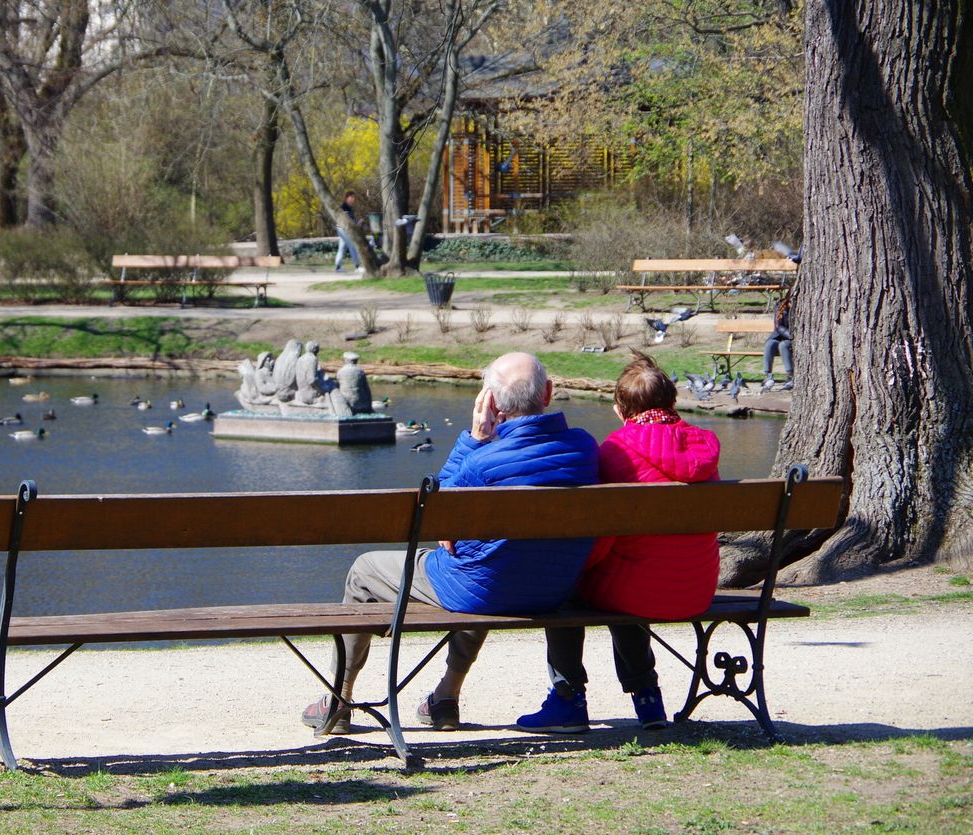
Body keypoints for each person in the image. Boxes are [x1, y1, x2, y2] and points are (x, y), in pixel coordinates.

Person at [301, 352, 599, 734]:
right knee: (488, 560)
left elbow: (436, 515)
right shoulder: (585, 449)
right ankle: (445, 695)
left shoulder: (483, 462)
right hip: (552, 591)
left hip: (485, 590)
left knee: (365, 569)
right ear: (549, 393)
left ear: (489, 401)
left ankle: (339, 698)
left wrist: (474, 439)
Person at [516, 351, 721, 734]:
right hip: (697, 589)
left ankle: (568, 699)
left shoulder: (616, 450)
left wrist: (575, 566)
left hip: (641, 592)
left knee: (570, 584)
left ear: (619, 409)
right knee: (634, 574)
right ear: (672, 402)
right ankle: (647, 698)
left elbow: (602, 538)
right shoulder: (704, 447)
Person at [763, 294, 794, 390]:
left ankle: (790, 376)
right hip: (781, 335)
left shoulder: (799, 306)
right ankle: (768, 376)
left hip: (792, 338)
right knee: (769, 344)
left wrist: (792, 337)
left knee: (783, 345)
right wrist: (789, 335)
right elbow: (778, 326)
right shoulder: (780, 305)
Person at [333, 190, 364, 274]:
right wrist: (356, 223)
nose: (353, 199)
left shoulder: (349, 208)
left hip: (343, 229)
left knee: (342, 248)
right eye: (352, 197)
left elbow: (351, 221)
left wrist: (358, 222)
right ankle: (357, 266)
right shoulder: (344, 207)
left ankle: (338, 267)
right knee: (352, 246)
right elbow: (346, 220)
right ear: (347, 198)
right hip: (343, 229)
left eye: (354, 197)